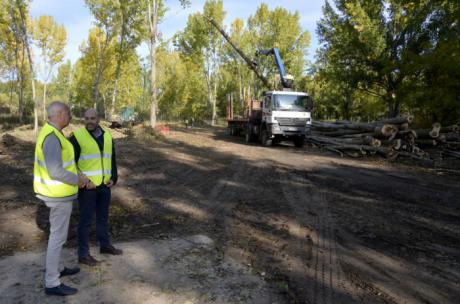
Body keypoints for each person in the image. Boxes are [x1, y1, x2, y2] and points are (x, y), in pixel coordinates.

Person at [33, 101, 88, 296]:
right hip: (57, 196)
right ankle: (52, 282)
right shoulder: (52, 137)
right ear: (60, 114)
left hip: (58, 194)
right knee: (57, 238)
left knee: (58, 236)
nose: (70, 117)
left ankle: (57, 269)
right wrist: (79, 180)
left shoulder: (53, 133)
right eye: (68, 113)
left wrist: (77, 176)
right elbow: (56, 171)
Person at [69, 108, 122, 267]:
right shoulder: (77, 137)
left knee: (103, 218)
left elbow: (111, 159)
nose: (89, 121)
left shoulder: (107, 136)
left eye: (92, 118)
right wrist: (84, 181)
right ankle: (83, 254)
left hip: (104, 186)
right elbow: (70, 163)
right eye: (86, 118)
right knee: (85, 221)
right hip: (88, 188)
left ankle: (105, 246)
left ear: (99, 119)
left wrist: (114, 177)